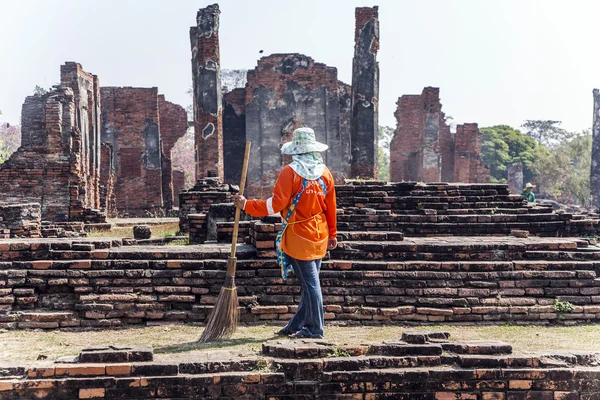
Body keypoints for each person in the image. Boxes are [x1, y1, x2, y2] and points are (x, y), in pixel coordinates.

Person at [233, 127, 337, 339]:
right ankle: (296, 325)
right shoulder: (325, 173)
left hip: (299, 234)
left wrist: (247, 205)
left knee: (310, 284)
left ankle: (315, 329)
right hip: (320, 233)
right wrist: (333, 234)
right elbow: (331, 207)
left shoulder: (290, 172)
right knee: (311, 282)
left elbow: (275, 205)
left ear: (295, 150)